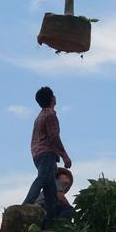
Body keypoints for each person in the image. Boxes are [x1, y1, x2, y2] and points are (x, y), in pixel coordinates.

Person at [22, 86, 72, 224]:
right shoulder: (50, 115)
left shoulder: (40, 116)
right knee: (43, 179)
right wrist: (65, 156)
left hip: (37, 154)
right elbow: (54, 137)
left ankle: (51, 219)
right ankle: (26, 205)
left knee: (50, 189)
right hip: (46, 153)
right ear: (52, 99)